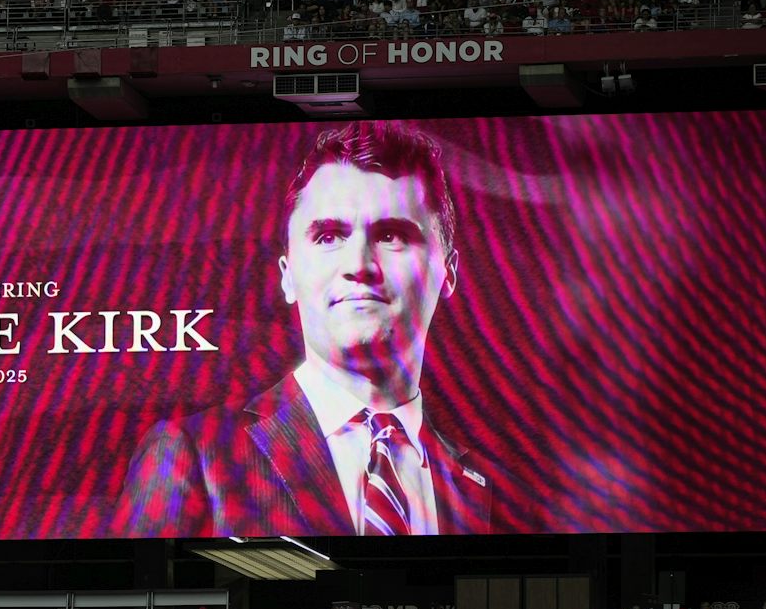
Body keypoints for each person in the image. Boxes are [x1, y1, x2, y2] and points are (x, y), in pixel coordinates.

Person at [124, 122, 494, 536]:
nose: (358, 265)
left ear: (449, 274)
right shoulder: (192, 453)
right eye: (329, 236)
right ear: (287, 275)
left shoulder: (484, 489)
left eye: (391, 235)